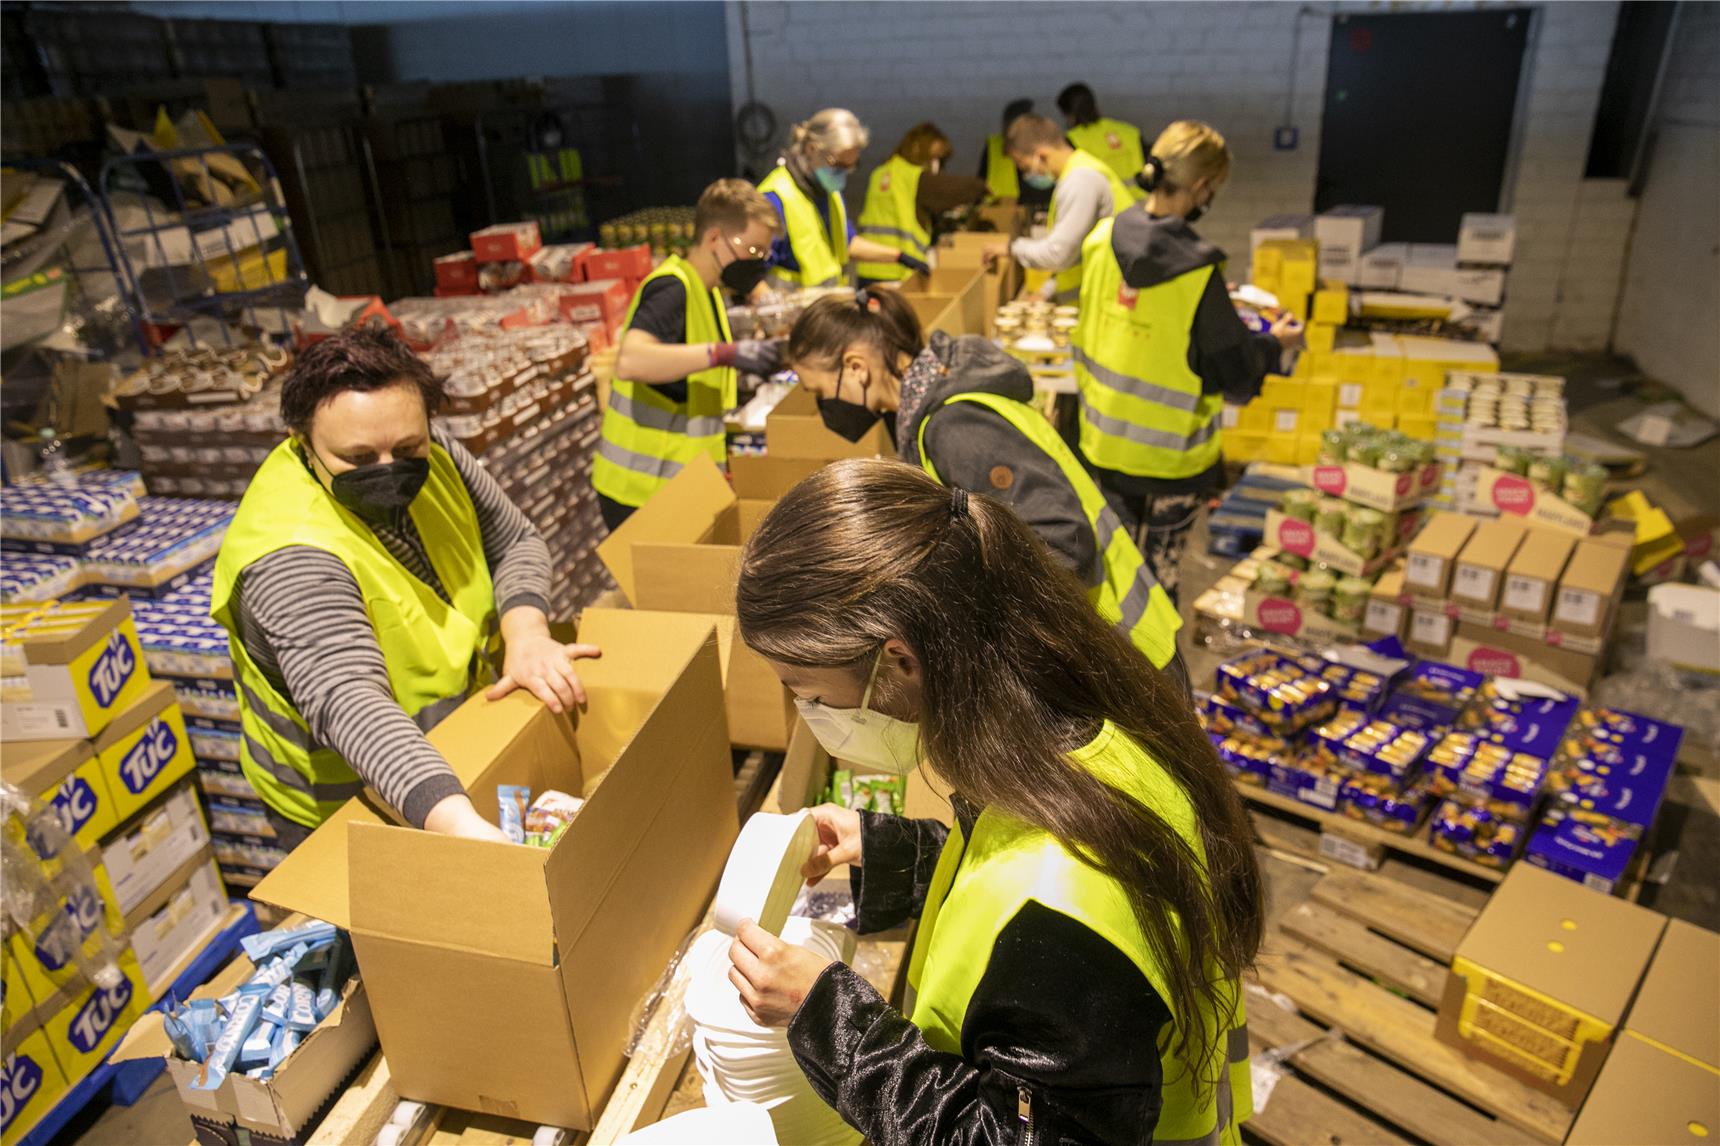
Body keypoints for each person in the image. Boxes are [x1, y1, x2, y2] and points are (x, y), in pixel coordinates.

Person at [724, 459, 1262, 1143]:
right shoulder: (1072, 725)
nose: (810, 715)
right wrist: (898, 855)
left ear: (900, 661)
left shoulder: (1063, 917)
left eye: (809, 692)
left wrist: (832, 1020)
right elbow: (1009, 910)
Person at [211, 329, 599, 846]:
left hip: (458, 747)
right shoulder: (291, 555)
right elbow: (349, 701)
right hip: (348, 800)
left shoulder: (435, 456)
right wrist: (459, 824)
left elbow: (514, 540)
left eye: (407, 447)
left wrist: (526, 632)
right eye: (358, 458)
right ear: (302, 442)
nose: (389, 468)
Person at [784, 289, 1185, 679]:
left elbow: (1062, 541)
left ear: (856, 367)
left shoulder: (955, 428)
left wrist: (970, 624)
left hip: (1124, 655)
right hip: (1108, 649)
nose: (825, 407)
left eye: (820, 391)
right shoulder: (933, 406)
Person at [1072, 121, 1303, 603]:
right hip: (1171, 464)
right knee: (1158, 591)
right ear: (1201, 186)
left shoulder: (1100, 239)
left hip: (1102, 447)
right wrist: (1274, 344)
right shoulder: (1197, 273)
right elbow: (1234, 373)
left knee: (1109, 584)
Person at [593, 178, 782, 530]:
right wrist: (724, 353)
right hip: (641, 491)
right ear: (714, 238)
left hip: (675, 485)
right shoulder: (672, 289)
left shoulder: (706, 292)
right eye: (753, 250)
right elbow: (631, 361)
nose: (758, 262)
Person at [761, 108, 929, 289]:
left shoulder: (828, 194)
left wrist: (899, 256)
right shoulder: (775, 198)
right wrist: (773, 304)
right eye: (837, 165)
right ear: (811, 149)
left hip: (824, 301)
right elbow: (751, 271)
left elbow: (846, 242)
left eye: (850, 166)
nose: (842, 174)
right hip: (788, 303)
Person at [988, 113, 1134, 302]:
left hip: (1110, 298)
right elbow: (1076, 254)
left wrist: (1012, 248)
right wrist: (1046, 291)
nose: (1027, 175)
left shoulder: (1079, 181)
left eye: (1024, 167)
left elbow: (1058, 253)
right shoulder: (1078, 172)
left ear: (1041, 156)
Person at [853, 122, 988, 285]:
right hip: (900, 271)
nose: (937, 164)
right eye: (935, 158)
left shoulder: (879, 173)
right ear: (920, 151)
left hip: (867, 268)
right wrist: (984, 187)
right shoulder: (916, 178)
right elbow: (958, 188)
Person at [1058, 81, 1147, 190]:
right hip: (1141, 199)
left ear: (1070, 114)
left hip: (1105, 200)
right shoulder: (1130, 132)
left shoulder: (1071, 140)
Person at [977, 97, 1049, 210]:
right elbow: (980, 182)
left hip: (1032, 208)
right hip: (998, 209)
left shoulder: (1041, 149)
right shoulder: (994, 145)